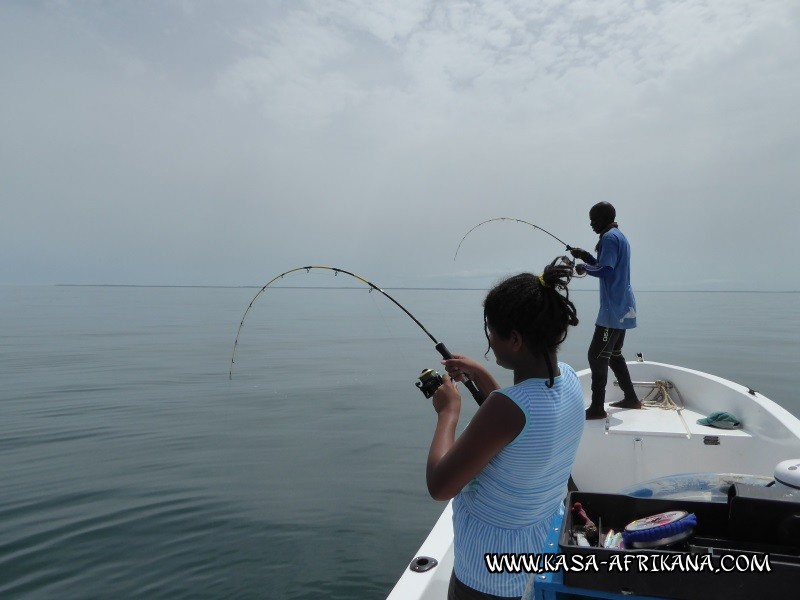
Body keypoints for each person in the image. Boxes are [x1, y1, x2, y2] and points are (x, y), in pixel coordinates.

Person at [426, 257, 585, 599]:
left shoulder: (505, 409)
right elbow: (524, 419)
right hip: (537, 549)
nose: (489, 339)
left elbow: (440, 486)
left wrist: (448, 412)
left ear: (514, 339)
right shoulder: (570, 380)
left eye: (491, 332)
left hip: (487, 573)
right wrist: (481, 375)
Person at [569, 201, 641, 420]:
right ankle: (631, 398)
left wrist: (584, 267)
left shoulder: (609, 238)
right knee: (614, 354)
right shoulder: (619, 236)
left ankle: (597, 408)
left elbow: (606, 271)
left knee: (596, 356)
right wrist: (584, 256)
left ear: (603, 218)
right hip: (624, 307)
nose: (591, 224)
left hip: (613, 311)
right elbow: (606, 266)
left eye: (593, 220)